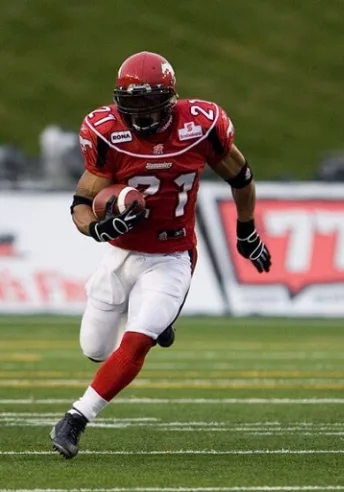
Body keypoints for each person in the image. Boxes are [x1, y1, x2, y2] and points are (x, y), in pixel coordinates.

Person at [49, 51, 271, 459]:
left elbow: (241, 175)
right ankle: (157, 322)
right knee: (95, 350)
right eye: (133, 106)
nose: (142, 117)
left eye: (151, 106)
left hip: (172, 255)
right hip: (120, 255)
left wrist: (246, 228)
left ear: (170, 100)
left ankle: (76, 419)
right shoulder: (105, 132)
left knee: (135, 344)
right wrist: (98, 228)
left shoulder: (200, 126)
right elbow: (81, 202)